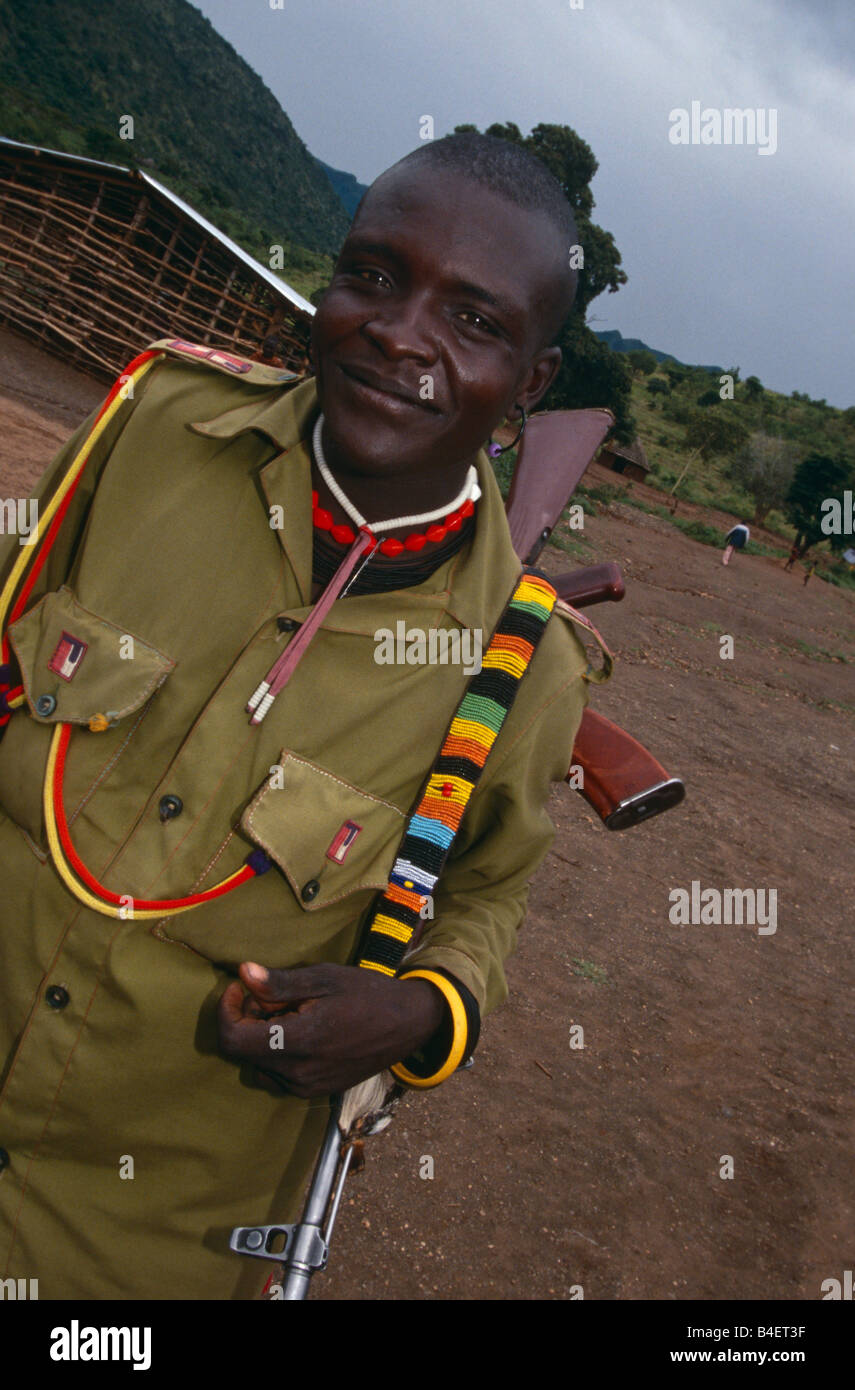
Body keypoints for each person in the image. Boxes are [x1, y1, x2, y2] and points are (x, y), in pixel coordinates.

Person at [0, 133, 603, 1298]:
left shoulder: (524, 669)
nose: (399, 331)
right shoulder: (154, 426)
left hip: (134, 1244)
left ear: (532, 382)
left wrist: (419, 1014)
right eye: (373, 275)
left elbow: (486, 890)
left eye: (473, 321)